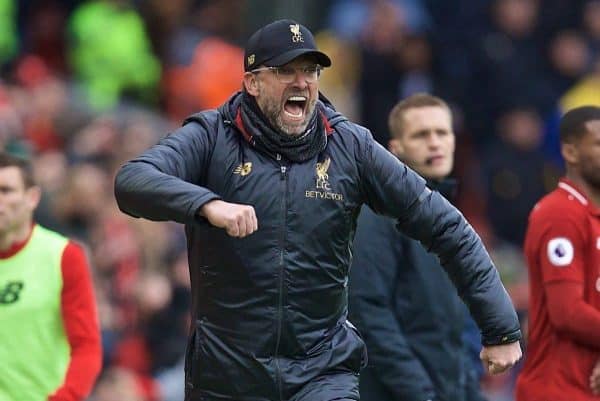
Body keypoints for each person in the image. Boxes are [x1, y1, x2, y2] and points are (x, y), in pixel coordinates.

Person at [114, 19, 522, 401]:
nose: (302, 83)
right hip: (227, 378)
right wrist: (207, 205)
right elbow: (132, 181)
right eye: (286, 71)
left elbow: (446, 226)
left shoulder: (351, 146)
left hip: (322, 374)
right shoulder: (211, 135)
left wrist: (500, 325)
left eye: (310, 71)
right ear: (253, 83)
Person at [348, 93, 487, 401]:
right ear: (396, 148)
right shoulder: (379, 215)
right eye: (421, 135)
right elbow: (367, 311)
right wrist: (419, 392)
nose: (435, 143)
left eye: (442, 133)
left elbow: (456, 323)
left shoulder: (451, 216)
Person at [0, 152, 102, 401]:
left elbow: (86, 346)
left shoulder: (63, 256)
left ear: (32, 198)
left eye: (6, 190)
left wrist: (65, 397)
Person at [515, 105, 600, 401]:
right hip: (557, 389)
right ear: (571, 152)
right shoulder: (559, 213)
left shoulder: (592, 216)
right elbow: (567, 313)